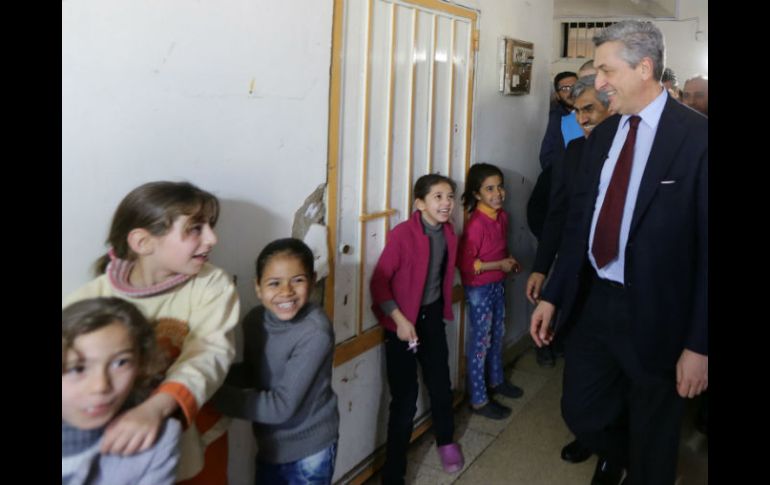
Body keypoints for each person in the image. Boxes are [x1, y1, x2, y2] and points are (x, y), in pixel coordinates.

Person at [530, 20, 707, 485]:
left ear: (644, 67)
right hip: (595, 301)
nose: (598, 82)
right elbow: (578, 227)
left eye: (607, 70)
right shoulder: (603, 137)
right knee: (582, 411)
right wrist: (553, 293)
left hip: (661, 314)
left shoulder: (697, 140)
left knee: (656, 429)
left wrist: (699, 346)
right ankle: (629, 455)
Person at [63, 181, 240, 485]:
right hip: (122, 451)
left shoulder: (213, 284)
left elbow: (209, 353)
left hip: (197, 438)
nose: (212, 238)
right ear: (143, 243)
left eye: (210, 226)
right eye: (195, 228)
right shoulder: (91, 298)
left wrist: (155, 409)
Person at [526, 74, 613, 465]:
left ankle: (613, 449)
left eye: (590, 109)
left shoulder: (633, 155)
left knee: (620, 374)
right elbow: (559, 214)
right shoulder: (573, 153)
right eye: (577, 111)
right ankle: (589, 431)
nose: (582, 119)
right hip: (580, 281)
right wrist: (541, 268)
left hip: (623, 286)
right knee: (579, 376)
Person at [212, 238, 339, 484]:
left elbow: (280, 407)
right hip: (271, 447)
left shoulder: (315, 332)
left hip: (310, 452)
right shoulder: (254, 321)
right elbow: (254, 372)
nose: (286, 292)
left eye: (298, 280)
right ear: (258, 288)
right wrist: (211, 377)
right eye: (274, 283)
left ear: (313, 281)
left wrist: (209, 395)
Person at [370, 173, 464, 484]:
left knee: (440, 383)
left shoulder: (449, 233)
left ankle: (446, 441)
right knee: (405, 398)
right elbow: (379, 282)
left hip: (432, 318)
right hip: (401, 322)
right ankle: (394, 472)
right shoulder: (402, 234)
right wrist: (399, 320)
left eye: (450, 196)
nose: (446, 203)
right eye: (438, 196)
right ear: (419, 203)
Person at [62, 297, 181, 485]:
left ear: (141, 364)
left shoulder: (157, 440)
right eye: (78, 368)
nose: (101, 386)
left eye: (121, 363)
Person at [458, 163, 523, 420]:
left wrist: (509, 259)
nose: (497, 193)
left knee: (498, 334)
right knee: (480, 343)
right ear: (477, 194)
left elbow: (500, 248)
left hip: (497, 283)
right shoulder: (476, 225)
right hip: (480, 290)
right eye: (489, 189)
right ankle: (478, 399)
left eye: (500, 187)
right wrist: (499, 264)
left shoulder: (502, 217)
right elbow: (466, 265)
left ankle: (496, 381)